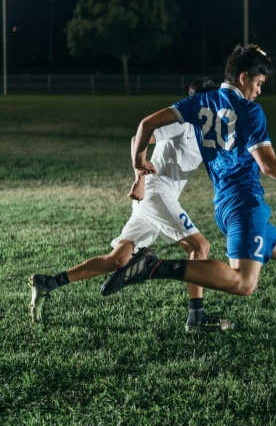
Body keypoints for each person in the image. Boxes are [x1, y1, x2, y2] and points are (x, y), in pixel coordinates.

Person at [101, 44, 276, 349]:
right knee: (244, 283)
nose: (259, 92)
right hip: (245, 204)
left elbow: (145, 125)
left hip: (228, 204)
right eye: (258, 84)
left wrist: (139, 161)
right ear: (243, 77)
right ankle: (151, 267)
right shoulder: (249, 110)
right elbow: (269, 166)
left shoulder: (199, 101)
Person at [29, 78, 234, 333]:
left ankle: (49, 282)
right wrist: (139, 176)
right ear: (198, 100)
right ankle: (196, 317)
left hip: (156, 199)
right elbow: (138, 136)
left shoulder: (206, 130)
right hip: (155, 193)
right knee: (200, 247)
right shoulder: (182, 122)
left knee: (118, 259)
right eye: (210, 99)